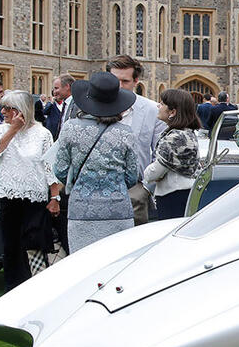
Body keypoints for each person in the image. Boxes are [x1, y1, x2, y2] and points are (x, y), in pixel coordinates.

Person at [53, 72, 139, 254]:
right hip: (117, 209)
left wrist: (78, 180)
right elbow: (132, 176)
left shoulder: (70, 127)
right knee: (116, 265)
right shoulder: (125, 132)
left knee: (83, 265)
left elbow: (60, 169)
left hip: (82, 208)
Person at [0, 90, 58, 290]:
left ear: (20, 110)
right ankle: (12, 288)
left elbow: (49, 167)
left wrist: (55, 198)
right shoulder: (1, 130)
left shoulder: (42, 133)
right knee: (10, 246)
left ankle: (35, 287)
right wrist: (13, 129)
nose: (3, 112)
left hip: (34, 196)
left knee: (34, 244)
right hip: (8, 195)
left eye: (8, 108)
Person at [105, 55, 166, 225]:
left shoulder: (151, 110)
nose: (119, 86)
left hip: (135, 190)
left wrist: (146, 187)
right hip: (99, 189)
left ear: (135, 81)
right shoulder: (95, 107)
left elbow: (161, 152)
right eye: (114, 80)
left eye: (125, 81)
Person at [143, 89, 201, 220]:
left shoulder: (174, 137)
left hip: (172, 195)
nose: (158, 106)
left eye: (162, 104)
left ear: (172, 112)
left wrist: (146, 174)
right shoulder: (187, 132)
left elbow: (156, 171)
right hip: (185, 191)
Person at [45, 74, 74, 140]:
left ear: (67, 86)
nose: (54, 92)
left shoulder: (77, 106)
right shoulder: (65, 104)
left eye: (56, 88)